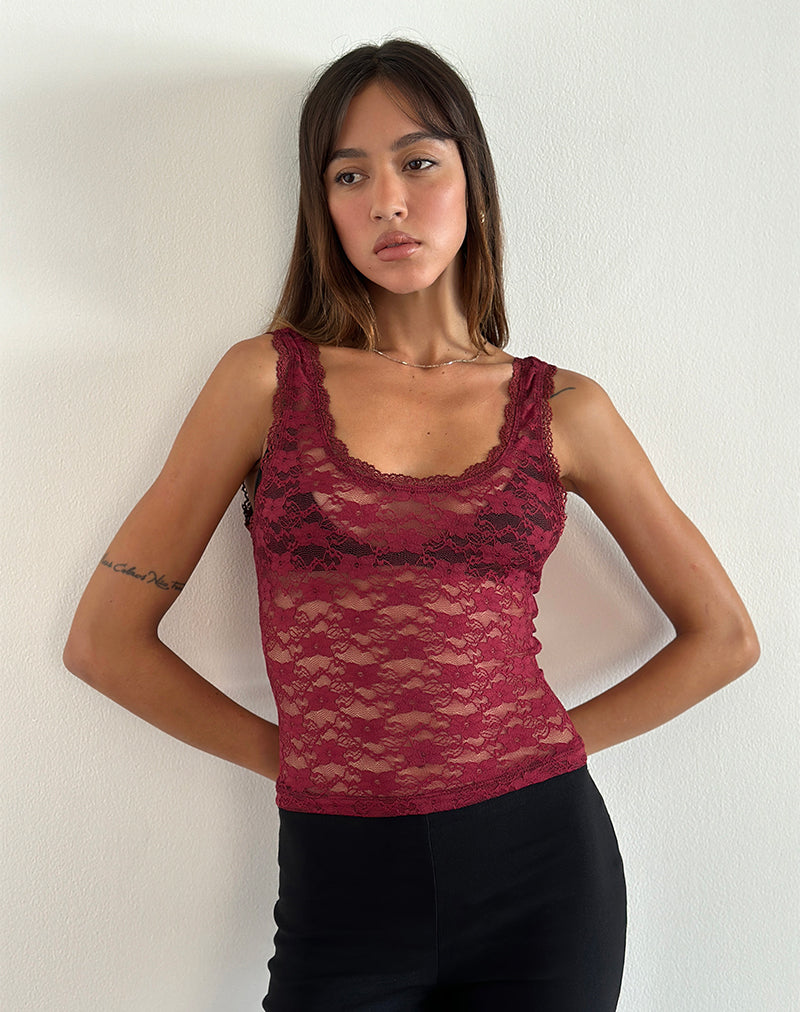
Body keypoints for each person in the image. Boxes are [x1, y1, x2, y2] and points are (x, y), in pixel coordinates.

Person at [63, 39, 759, 1012]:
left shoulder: (565, 409)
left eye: (418, 162)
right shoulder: (263, 382)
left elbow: (724, 637)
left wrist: (540, 749)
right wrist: (302, 755)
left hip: (544, 876)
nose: (387, 200)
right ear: (323, 207)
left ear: (473, 180)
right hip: (341, 885)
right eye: (349, 174)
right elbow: (103, 643)